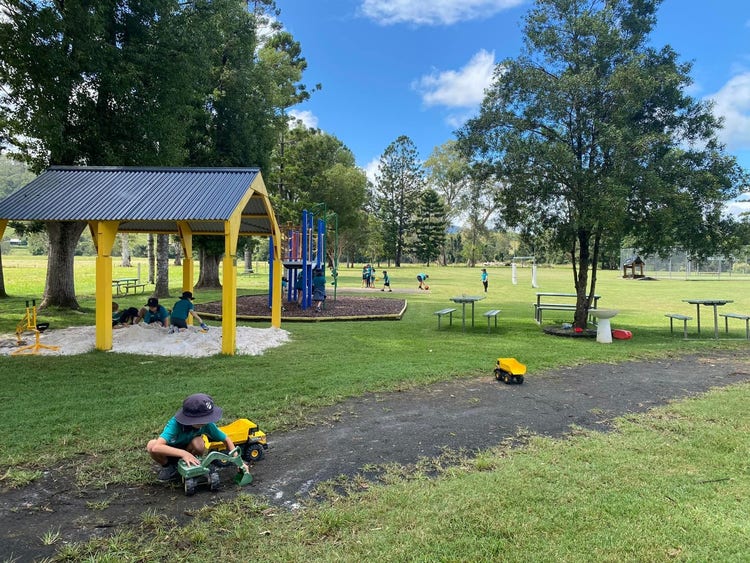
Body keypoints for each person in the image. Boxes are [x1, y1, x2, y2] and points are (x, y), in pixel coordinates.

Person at [146, 393, 242, 481]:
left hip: (190, 452)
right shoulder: (175, 424)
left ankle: (194, 465)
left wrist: (239, 462)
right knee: (151, 445)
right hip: (169, 452)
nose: (207, 422)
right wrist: (183, 453)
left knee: (199, 442)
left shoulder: (207, 425)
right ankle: (169, 468)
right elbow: (156, 447)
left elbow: (226, 439)